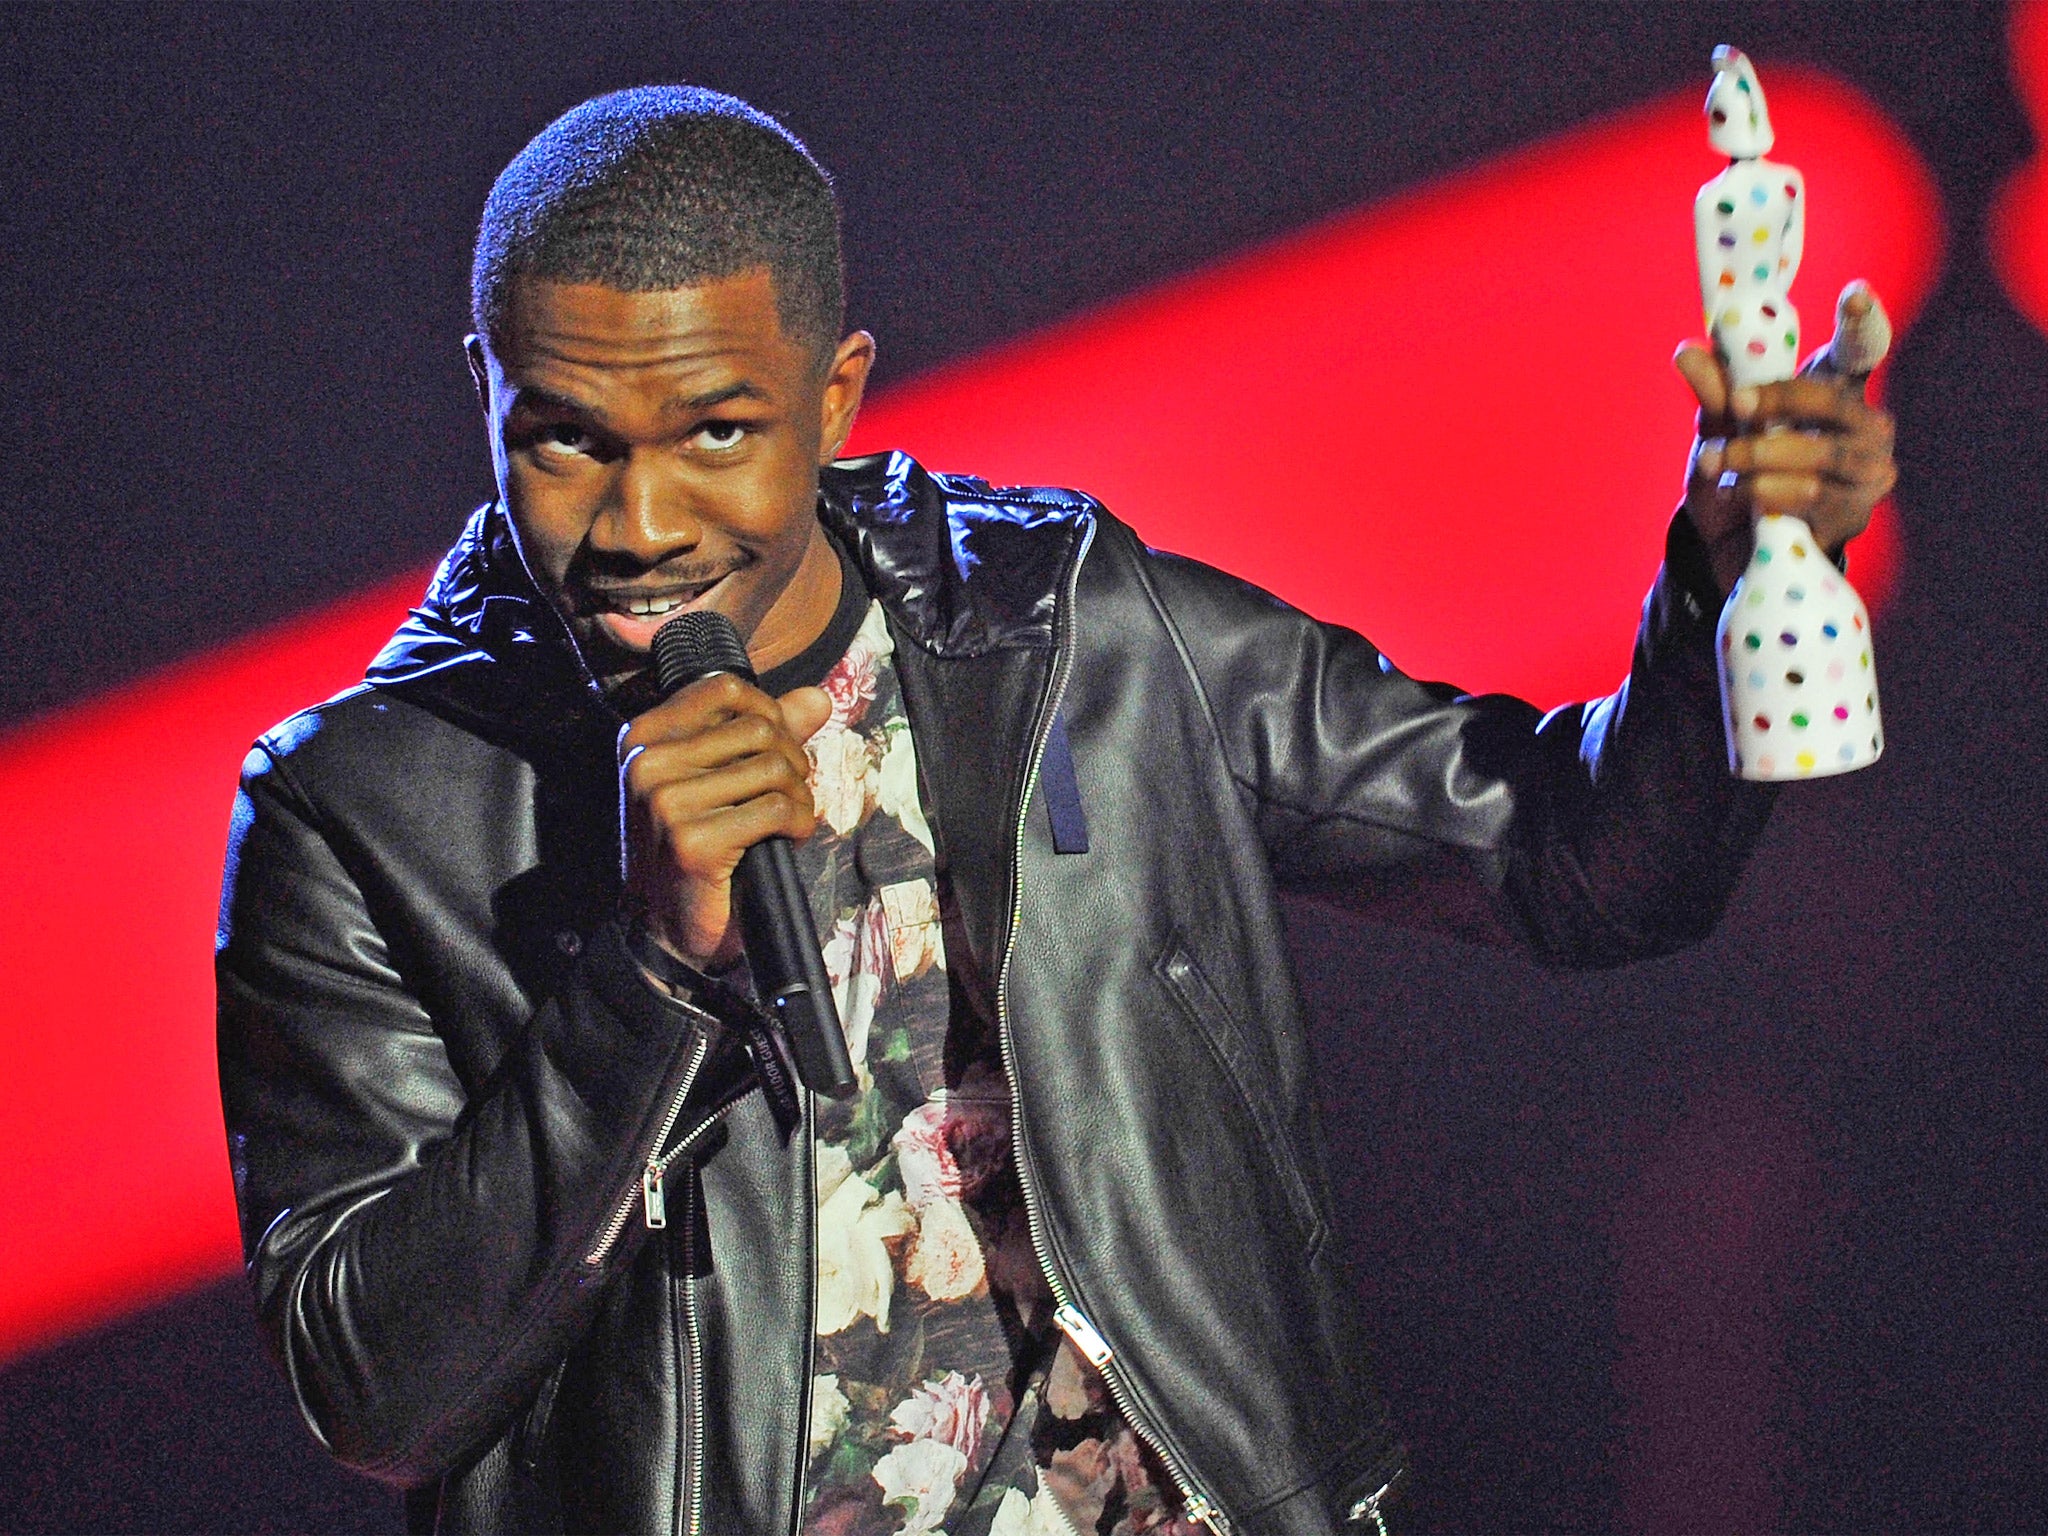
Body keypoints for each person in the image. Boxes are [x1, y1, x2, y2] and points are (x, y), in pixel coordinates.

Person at [215, 87, 1897, 1536]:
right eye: (564, 442)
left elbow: (1576, 863)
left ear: (837, 394)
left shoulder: (1067, 632)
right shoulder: (366, 810)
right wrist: (650, 978)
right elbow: (375, 1392)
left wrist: (1725, 585)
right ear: (488, 393)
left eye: (717, 431)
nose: (640, 519)